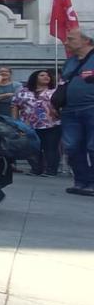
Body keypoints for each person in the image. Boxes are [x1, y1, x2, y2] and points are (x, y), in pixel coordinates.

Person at [59, 28, 94, 196]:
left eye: (71, 39)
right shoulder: (70, 61)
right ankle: (81, 181)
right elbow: (63, 82)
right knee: (71, 146)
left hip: (91, 108)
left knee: (92, 147)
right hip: (70, 111)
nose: (66, 42)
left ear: (86, 41)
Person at [12, 69, 62, 177]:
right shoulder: (23, 91)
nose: (46, 77)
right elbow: (15, 105)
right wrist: (15, 121)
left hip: (51, 123)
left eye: (48, 75)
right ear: (35, 77)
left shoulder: (55, 90)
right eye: (42, 75)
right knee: (33, 147)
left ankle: (51, 170)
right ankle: (36, 168)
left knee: (50, 147)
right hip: (29, 124)